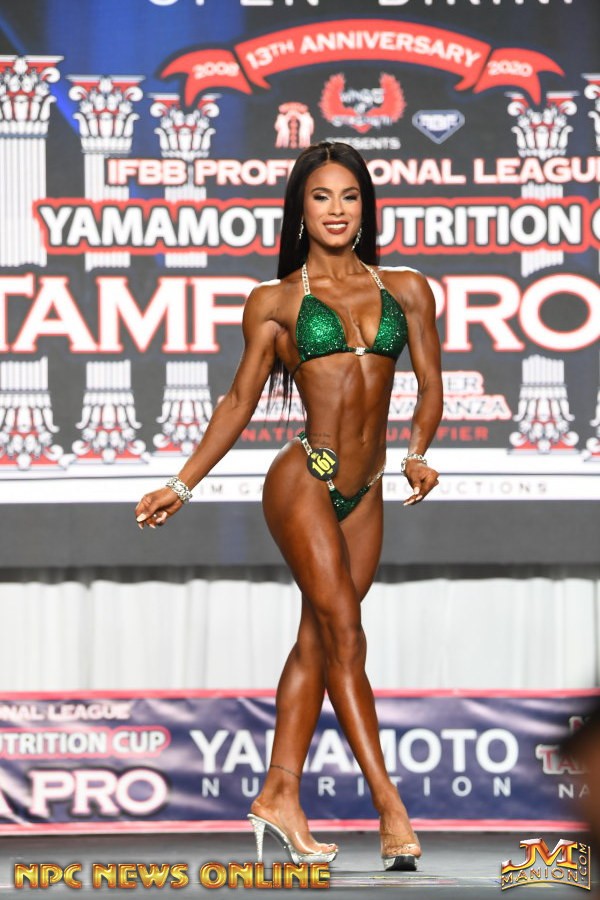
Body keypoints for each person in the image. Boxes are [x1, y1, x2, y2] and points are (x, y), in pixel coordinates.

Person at [135, 141, 443, 871]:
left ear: (365, 208)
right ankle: (390, 806)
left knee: (317, 641)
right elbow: (239, 399)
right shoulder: (276, 301)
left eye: (349, 197)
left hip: (365, 490)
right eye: (321, 197)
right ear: (301, 211)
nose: (337, 210)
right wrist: (182, 484)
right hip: (305, 476)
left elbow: (431, 385)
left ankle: (279, 793)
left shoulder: (406, 290)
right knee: (346, 634)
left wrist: (418, 451)